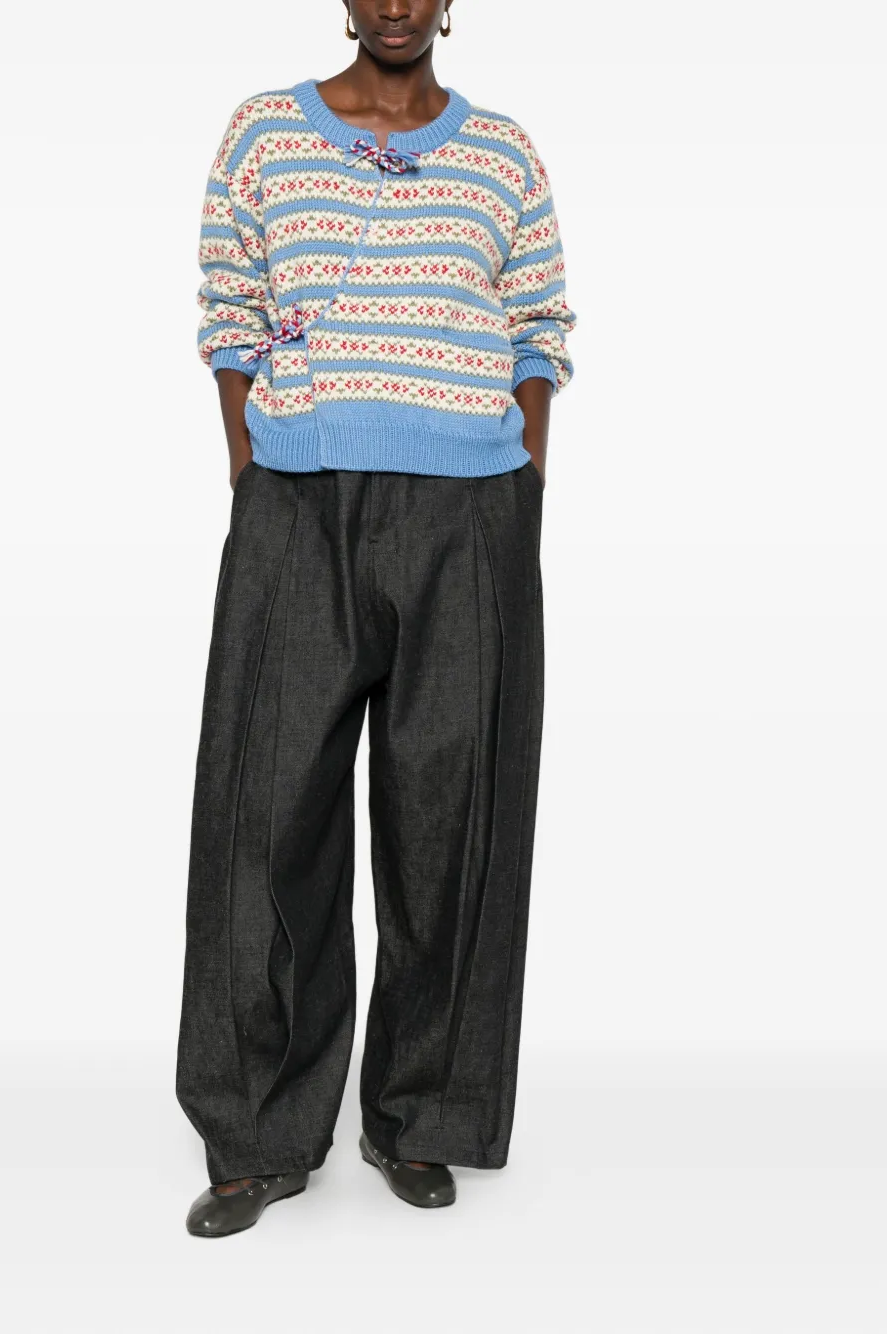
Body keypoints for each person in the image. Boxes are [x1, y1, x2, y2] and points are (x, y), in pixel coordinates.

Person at [177, 0, 577, 1238]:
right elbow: (229, 304)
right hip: (298, 504)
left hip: (470, 511)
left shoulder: (502, 151)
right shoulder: (263, 133)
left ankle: (422, 1115)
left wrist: (522, 480)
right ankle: (257, 1133)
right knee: (265, 814)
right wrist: (251, 461)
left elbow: (540, 325)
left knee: (452, 821)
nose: (396, 3)